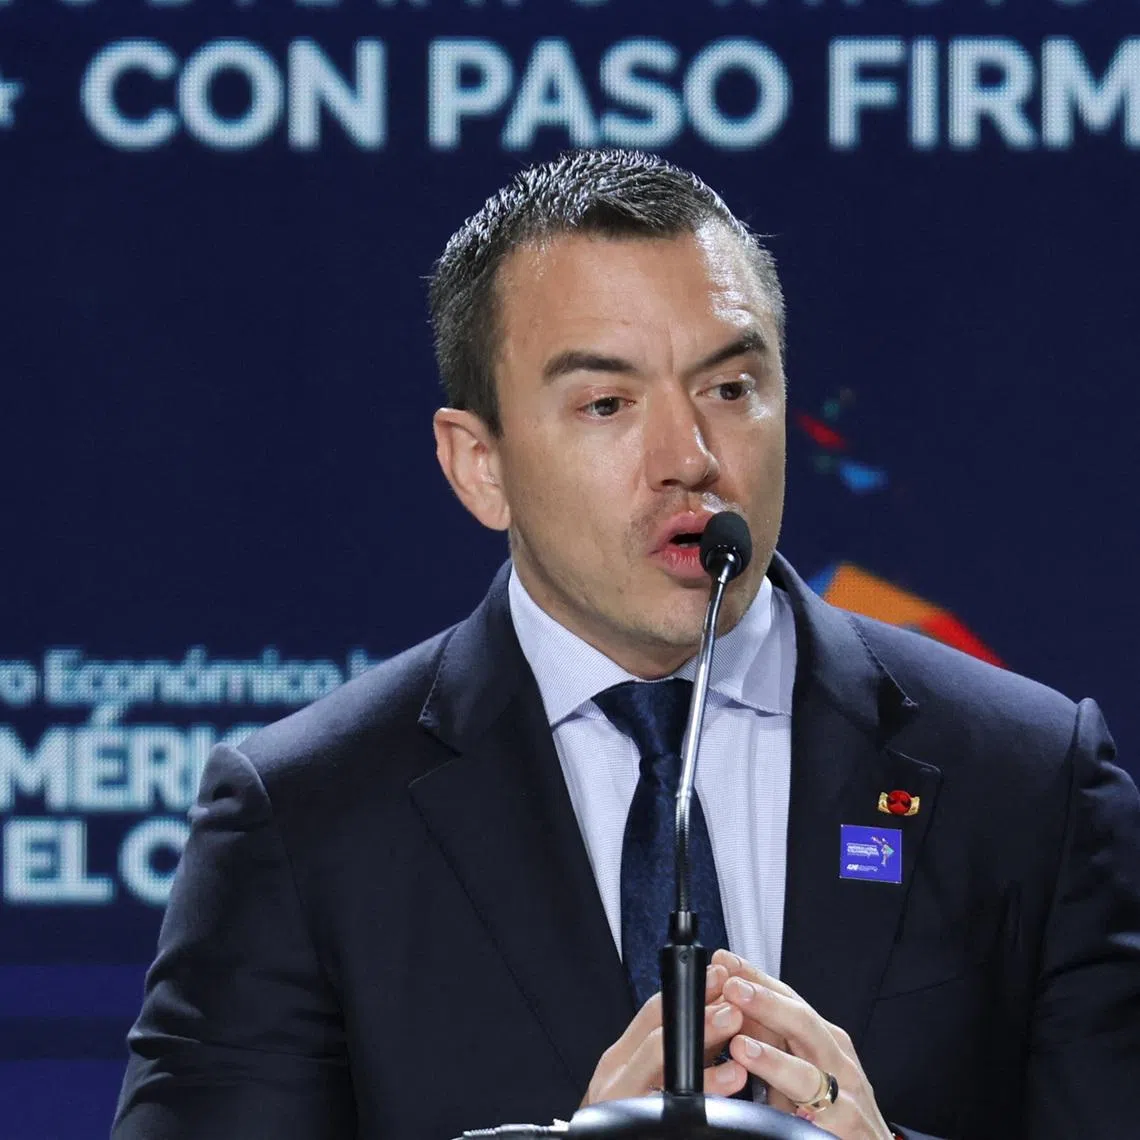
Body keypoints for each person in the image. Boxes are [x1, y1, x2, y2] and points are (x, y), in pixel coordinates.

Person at [112, 150, 1140, 1140]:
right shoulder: (308, 820)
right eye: (607, 403)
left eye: (731, 390)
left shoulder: (1028, 782)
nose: (689, 459)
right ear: (480, 466)